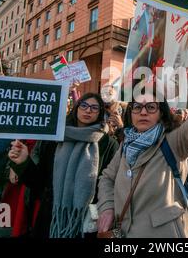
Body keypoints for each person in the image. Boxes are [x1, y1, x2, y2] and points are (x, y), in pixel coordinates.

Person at [97, 26, 188, 238]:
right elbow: (106, 178)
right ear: (130, 113)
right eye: (137, 107)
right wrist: (106, 207)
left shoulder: (174, 142)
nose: (143, 112)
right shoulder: (126, 143)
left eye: (151, 107)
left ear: (161, 113)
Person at [9, 93, 118, 238]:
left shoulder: (108, 144)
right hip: (52, 217)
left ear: (100, 113)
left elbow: (109, 182)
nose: (88, 110)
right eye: (84, 106)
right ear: (76, 108)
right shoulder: (56, 137)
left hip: (87, 220)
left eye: (94, 107)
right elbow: (40, 181)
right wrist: (23, 162)